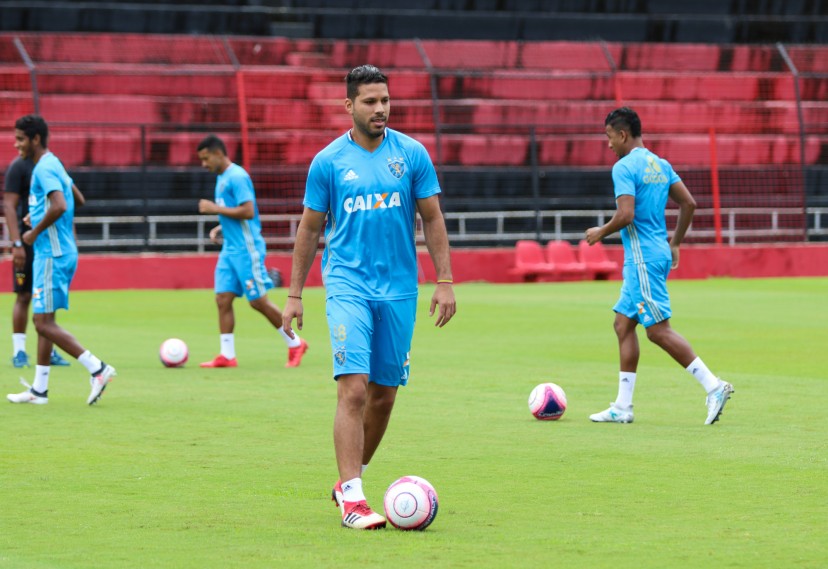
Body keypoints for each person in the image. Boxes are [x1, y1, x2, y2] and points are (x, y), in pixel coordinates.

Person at [281, 65, 457, 530]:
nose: (380, 109)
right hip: (346, 285)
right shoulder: (328, 162)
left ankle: (349, 481)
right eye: (370, 102)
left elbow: (433, 218)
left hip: (399, 289)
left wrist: (444, 279)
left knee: (384, 396)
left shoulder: (412, 154)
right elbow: (310, 228)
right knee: (353, 387)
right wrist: (295, 294)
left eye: (385, 100)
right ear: (349, 106)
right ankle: (355, 500)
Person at [585, 107, 733, 425]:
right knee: (623, 324)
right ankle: (622, 407)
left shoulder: (623, 167)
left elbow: (625, 215)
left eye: (609, 137)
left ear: (622, 134)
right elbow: (688, 203)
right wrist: (675, 242)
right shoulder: (660, 164)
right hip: (655, 253)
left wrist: (600, 231)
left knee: (657, 331)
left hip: (642, 259)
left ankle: (714, 386)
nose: (608, 144)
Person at [6, 114, 115, 406]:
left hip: (50, 254)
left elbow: (62, 204)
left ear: (35, 139)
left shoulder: (43, 169)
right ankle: (39, 391)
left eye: (20, 139)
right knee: (45, 320)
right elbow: (76, 199)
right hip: (61, 251)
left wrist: (33, 231)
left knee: (41, 322)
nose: (16, 145)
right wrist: (39, 212)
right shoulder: (54, 163)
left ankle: (97, 368)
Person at [196, 134, 308, 368]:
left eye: (206, 159)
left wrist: (213, 208)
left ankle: (296, 343)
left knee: (258, 301)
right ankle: (227, 355)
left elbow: (248, 211)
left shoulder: (237, 176)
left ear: (218, 153)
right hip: (230, 249)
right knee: (223, 298)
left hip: (247, 249)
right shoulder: (222, 177)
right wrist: (222, 227)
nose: (204, 164)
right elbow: (233, 211)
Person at [4, 155, 84, 368]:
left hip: (48, 243)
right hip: (26, 242)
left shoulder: (50, 166)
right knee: (23, 294)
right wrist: (17, 244)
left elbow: (70, 200)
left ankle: (48, 352)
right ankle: (19, 351)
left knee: (48, 302)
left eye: (21, 139)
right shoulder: (18, 167)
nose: (17, 145)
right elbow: (10, 206)